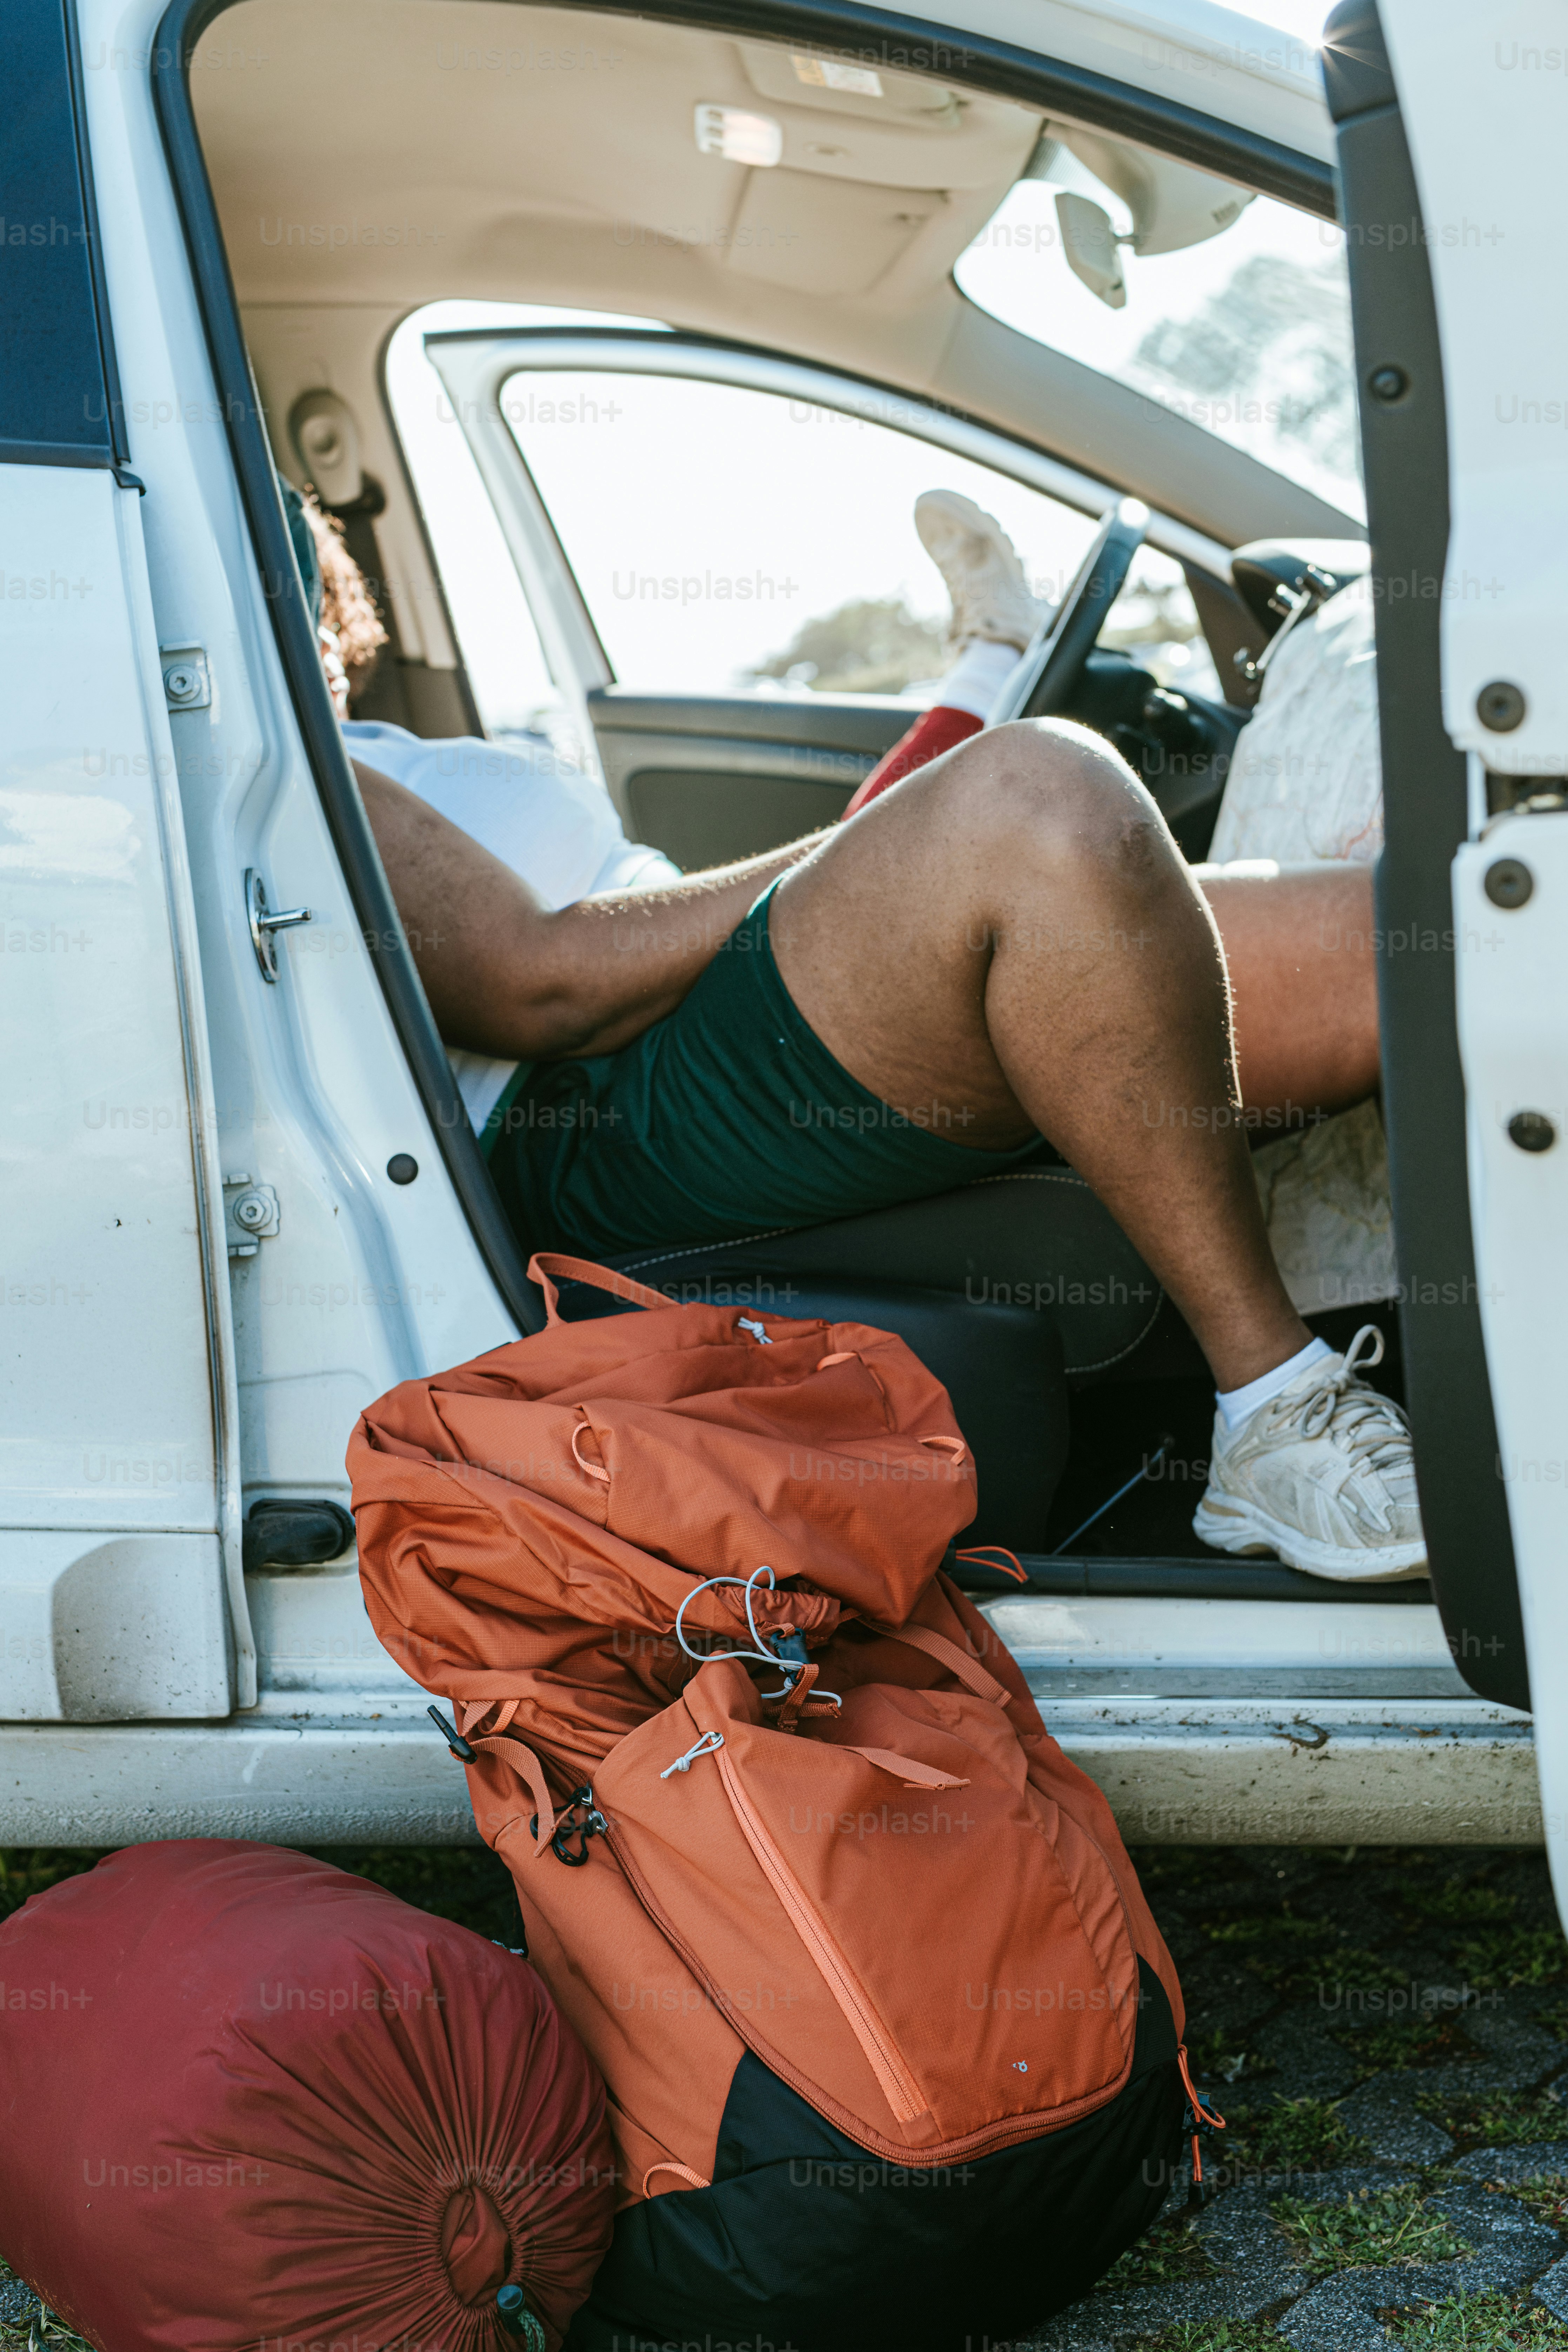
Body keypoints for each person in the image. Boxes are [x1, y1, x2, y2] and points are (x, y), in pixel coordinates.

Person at [293, 487, 1421, 1582]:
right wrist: (901, 849)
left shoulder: (381, 744)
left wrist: (892, 855)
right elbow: (542, 985)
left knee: (1405, 945)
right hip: (583, 1101)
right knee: (1034, 795)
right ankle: (1274, 1403)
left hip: (666, 1022)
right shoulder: (289, 759)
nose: (288, 587)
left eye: (304, 566)